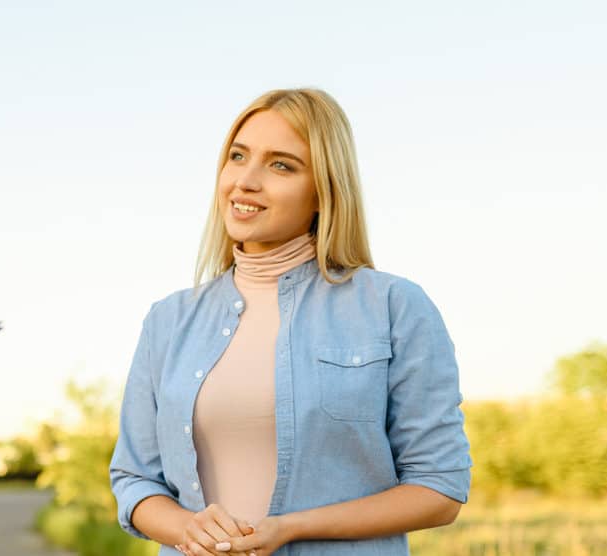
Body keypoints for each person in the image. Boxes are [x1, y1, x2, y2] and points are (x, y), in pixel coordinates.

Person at [109, 89, 471, 555]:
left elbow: (439, 489)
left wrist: (290, 528)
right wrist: (186, 529)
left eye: (281, 165)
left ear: (324, 189)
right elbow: (136, 480)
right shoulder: (168, 320)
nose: (246, 181)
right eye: (238, 157)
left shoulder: (394, 306)